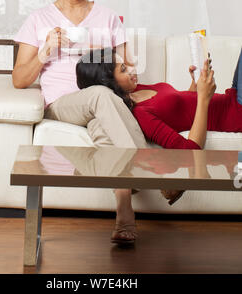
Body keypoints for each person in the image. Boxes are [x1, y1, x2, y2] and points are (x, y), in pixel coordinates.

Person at [12, 0, 147, 245]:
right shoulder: (39, 19)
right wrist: (46, 50)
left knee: (105, 129)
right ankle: (148, 166)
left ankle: (125, 216)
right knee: (99, 95)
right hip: (63, 104)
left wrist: (109, 60)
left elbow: (129, 77)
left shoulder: (108, 17)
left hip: (104, 103)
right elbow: (19, 79)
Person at [76, 46, 242, 224]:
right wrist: (203, 97)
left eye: (126, 64)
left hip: (231, 97)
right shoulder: (140, 114)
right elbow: (190, 151)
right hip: (237, 113)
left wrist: (194, 86)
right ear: (109, 83)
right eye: (123, 69)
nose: (132, 69)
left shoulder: (136, 88)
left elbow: (182, 111)